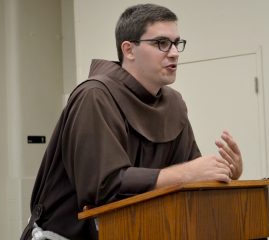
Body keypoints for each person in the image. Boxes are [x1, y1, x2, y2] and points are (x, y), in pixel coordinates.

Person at [20, 3, 242, 240]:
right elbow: (103, 188)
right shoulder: (95, 95)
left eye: (177, 43)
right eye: (162, 43)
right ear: (129, 50)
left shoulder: (174, 103)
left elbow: (190, 173)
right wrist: (186, 174)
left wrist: (222, 172)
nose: (175, 52)